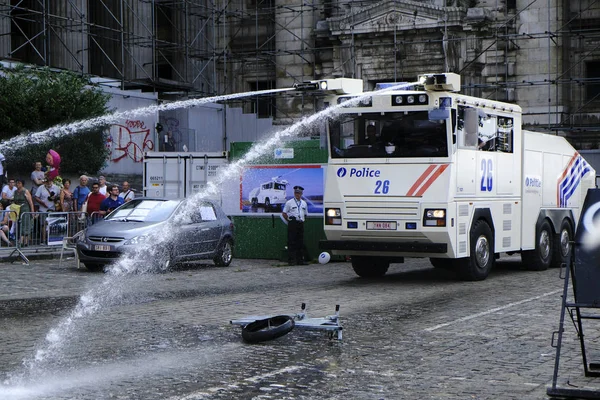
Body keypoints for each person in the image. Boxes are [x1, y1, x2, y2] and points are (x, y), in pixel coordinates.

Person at [282, 185, 308, 266]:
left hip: (300, 223)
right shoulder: (289, 202)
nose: (298, 194)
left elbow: (306, 214)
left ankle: (300, 260)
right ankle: (291, 260)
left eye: (299, 193)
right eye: (296, 193)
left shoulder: (304, 203)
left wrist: (302, 220)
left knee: (300, 242)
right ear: (294, 193)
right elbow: (284, 213)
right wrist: (289, 220)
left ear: (301, 193)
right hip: (293, 224)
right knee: (291, 242)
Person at [13, 179, 34, 247]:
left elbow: (30, 202)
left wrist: (32, 211)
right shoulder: (15, 191)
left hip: (25, 209)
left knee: (25, 224)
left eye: (19, 183)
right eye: (17, 183)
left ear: (22, 184)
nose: (17, 184)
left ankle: (24, 240)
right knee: (19, 224)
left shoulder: (25, 191)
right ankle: (22, 240)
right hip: (18, 209)